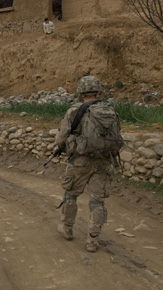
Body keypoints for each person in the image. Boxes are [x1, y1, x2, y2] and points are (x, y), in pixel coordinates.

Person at [54, 75, 123, 253]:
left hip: (80, 161)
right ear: (98, 91)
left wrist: (62, 146)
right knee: (97, 202)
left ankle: (67, 229)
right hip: (103, 162)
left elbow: (62, 137)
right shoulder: (109, 111)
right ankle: (93, 240)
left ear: (81, 92)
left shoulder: (74, 110)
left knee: (70, 195)